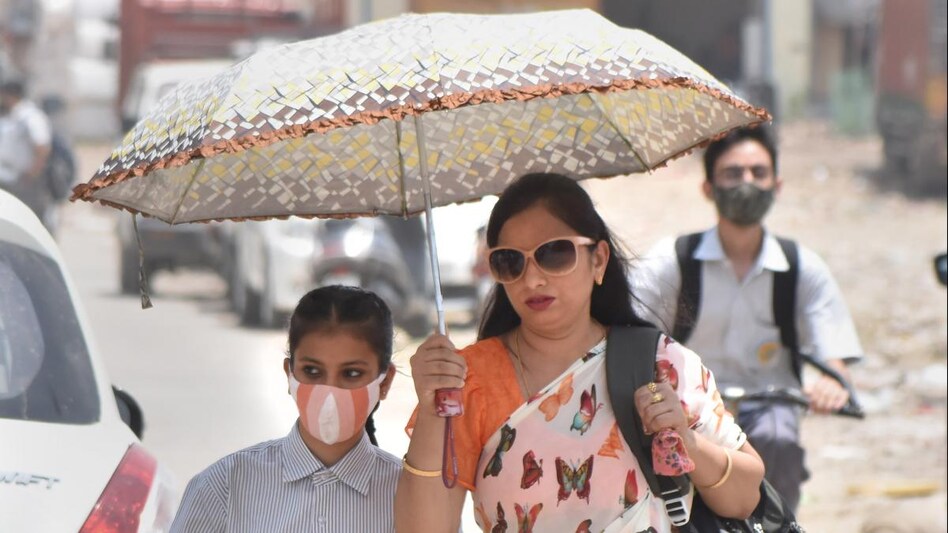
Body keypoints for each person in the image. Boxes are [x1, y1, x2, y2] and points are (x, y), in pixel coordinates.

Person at [395, 173, 765, 532]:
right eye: (511, 261)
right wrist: (432, 407)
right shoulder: (469, 381)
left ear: (599, 259)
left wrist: (688, 443)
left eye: (555, 254)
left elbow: (745, 499)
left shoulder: (662, 365)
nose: (533, 278)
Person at [630, 125, 863, 512]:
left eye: (759, 173)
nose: (747, 182)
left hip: (768, 408)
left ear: (777, 185)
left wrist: (831, 382)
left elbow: (833, 355)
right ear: (708, 187)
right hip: (688, 409)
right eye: (733, 174)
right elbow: (628, 328)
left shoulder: (801, 268)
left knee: (778, 440)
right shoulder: (672, 261)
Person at [171, 285, 400, 532]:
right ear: (289, 375)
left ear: (384, 382)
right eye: (312, 371)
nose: (330, 390)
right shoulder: (224, 486)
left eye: (351, 373)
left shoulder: (408, 494)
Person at [0, 78, 52, 229]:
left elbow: (42, 147)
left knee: (26, 223)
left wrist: (31, 175)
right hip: (9, 178)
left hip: (25, 181)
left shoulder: (30, 116)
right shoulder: (13, 115)